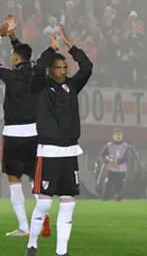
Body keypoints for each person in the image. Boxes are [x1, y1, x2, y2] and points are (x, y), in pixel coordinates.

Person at [26, 26, 93, 256]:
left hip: (70, 153)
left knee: (68, 204)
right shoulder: (40, 87)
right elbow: (35, 72)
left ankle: (61, 252)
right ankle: (32, 246)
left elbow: (87, 67)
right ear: (50, 70)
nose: (63, 71)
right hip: (49, 152)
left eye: (65, 67)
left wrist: (71, 46)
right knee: (44, 204)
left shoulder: (72, 87)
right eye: (58, 67)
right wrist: (50, 49)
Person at [0, 16, 50, 238]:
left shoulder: (9, 76)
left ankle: (24, 227)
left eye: (12, 55)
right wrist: (11, 36)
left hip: (12, 133)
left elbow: (19, 55)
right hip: (34, 133)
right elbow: (24, 55)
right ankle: (42, 222)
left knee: (14, 180)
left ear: (15, 58)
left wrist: (2, 34)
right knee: (35, 179)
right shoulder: (36, 73)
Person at [99, 129, 132, 201]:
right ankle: (105, 199)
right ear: (113, 136)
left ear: (122, 136)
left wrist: (117, 161)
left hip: (121, 170)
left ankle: (118, 199)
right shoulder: (108, 145)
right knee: (108, 184)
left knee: (119, 186)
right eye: (116, 135)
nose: (118, 137)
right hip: (111, 169)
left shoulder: (126, 146)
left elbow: (127, 158)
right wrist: (108, 161)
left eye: (119, 135)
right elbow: (102, 156)